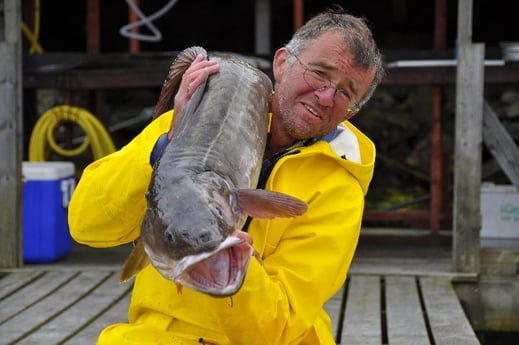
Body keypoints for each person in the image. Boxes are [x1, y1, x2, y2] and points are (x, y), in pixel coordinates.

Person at [68, 7, 384, 345]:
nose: (325, 97)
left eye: (346, 93)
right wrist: (163, 149)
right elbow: (86, 225)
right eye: (320, 73)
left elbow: (277, 327)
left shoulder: (340, 190)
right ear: (282, 63)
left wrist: (235, 266)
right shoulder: (185, 126)